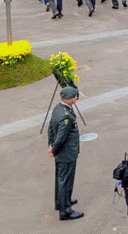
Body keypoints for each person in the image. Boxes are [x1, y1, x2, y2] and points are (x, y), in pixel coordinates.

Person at [47, 85, 83, 221]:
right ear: (67, 99)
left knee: (60, 179)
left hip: (61, 152)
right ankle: (66, 211)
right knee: (66, 181)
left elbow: (50, 128)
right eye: (74, 97)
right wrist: (54, 149)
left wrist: (50, 145)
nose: (76, 98)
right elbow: (61, 137)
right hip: (66, 153)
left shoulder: (58, 109)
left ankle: (60, 202)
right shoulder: (66, 116)